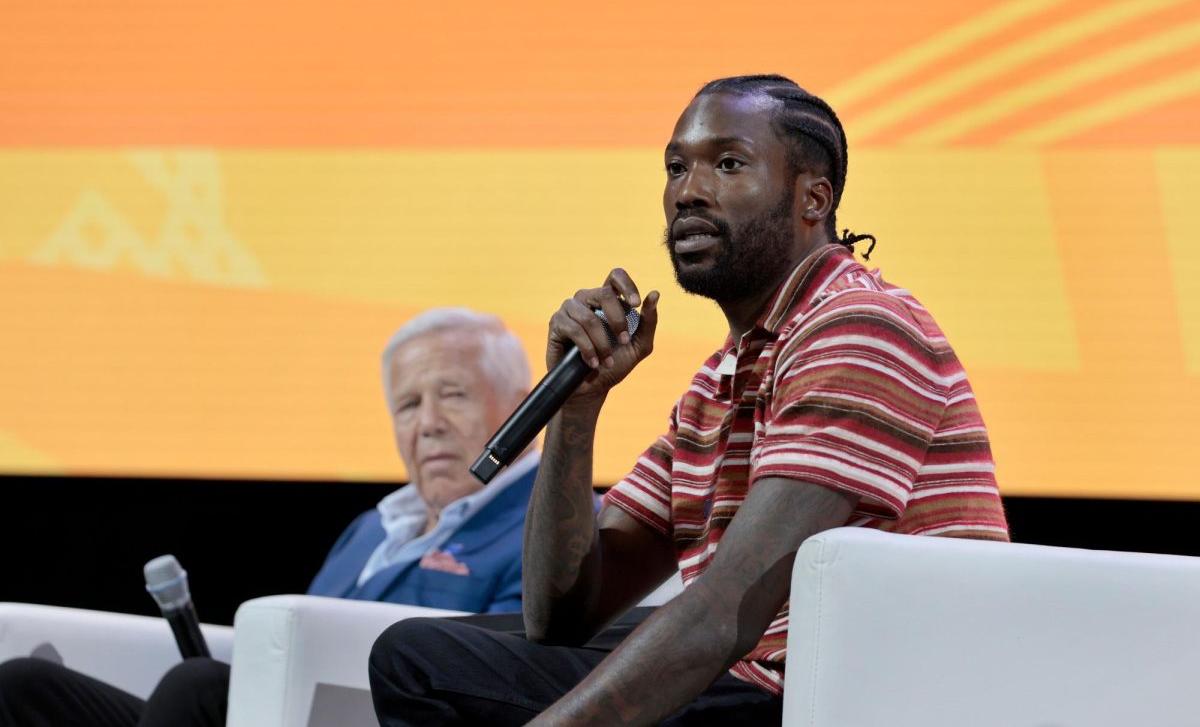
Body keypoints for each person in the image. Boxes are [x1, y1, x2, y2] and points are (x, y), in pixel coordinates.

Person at [368, 75, 1010, 727]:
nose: (688, 191)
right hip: (762, 677)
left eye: (728, 163)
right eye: (676, 168)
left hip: (854, 697)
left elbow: (724, 611)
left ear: (813, 196)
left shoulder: (859, 326)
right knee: (428, 653)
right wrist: (577, 408)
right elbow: (559, 615)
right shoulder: (722, 378)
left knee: (425, 668)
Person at [0, 307, 539, 727]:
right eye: (407, 405)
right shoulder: (374, 528)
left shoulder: (548, 529)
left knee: (199, 692)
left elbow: (501, 685)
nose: (428, 424)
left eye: (453, 395)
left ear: (522, 408)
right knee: (28, 689)